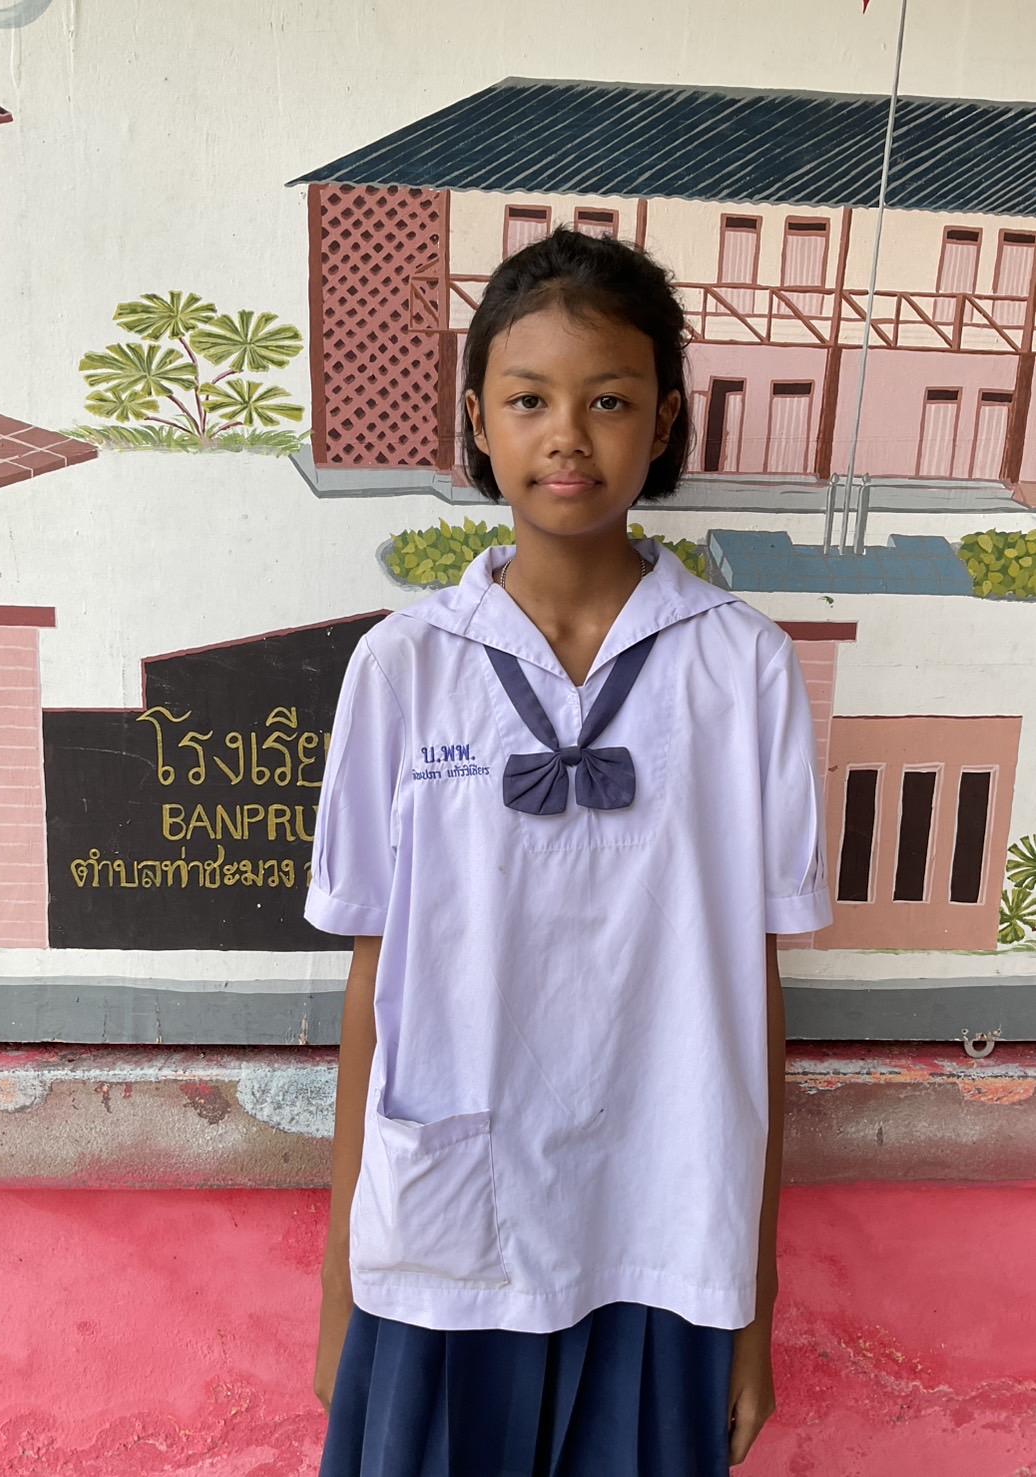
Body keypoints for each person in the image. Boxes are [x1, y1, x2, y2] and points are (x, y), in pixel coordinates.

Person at [306, 226, 832, 1477]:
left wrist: (754, 1306)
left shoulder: (742, 667)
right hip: (446, 1238)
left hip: (662, 1236)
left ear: (663, 423)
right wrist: (337, 1288)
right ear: (477, 421)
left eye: (609, 400)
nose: (568, 437)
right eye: (528, 399)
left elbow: (753, 996)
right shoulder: (405, 667)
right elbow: (373, 981)